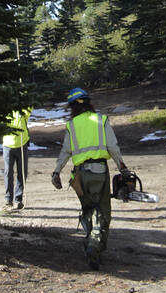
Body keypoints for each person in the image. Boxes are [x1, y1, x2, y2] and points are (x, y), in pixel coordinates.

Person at [51, 86, 129, 270]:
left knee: (87, 209)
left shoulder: (72, 125)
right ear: (89, 103)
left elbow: (65, 151)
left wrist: (56, 172)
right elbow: (113, 147)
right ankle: (95, 246)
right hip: (99, 171)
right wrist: (122, 168)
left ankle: (91, 242)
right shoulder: (101, 120)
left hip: (79, 175)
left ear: (73, 107)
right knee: (102, 212)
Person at [2, 105, 32, 209]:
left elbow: (30, 105)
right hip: (8, 145)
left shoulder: (24, 107)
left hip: (22, 144)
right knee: (8, 173)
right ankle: (8, 199)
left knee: (22, 173)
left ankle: (18, 199)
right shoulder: (5, 106)